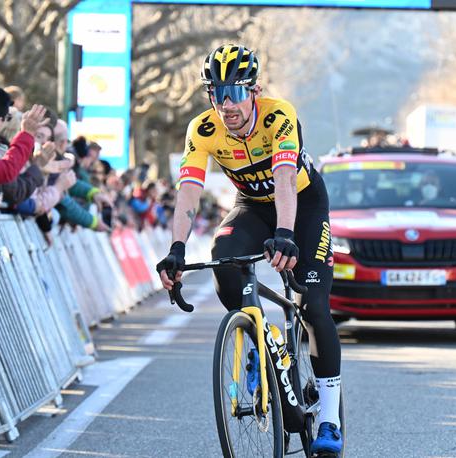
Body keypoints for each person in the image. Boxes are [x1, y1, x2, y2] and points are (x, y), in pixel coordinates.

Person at [155, 44, 343, 454]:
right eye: (216, 94)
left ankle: (329, 418)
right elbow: (188, 191)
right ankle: (260, 342)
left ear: (254, 90)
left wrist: (287, 233)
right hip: (250, 208)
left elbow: (285, 181)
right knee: (225, 260)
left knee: (312, 304)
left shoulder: (279, 115)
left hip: (303, 206)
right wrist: (176, 249)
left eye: (235, 93)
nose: (226, 105)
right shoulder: (203, 129)